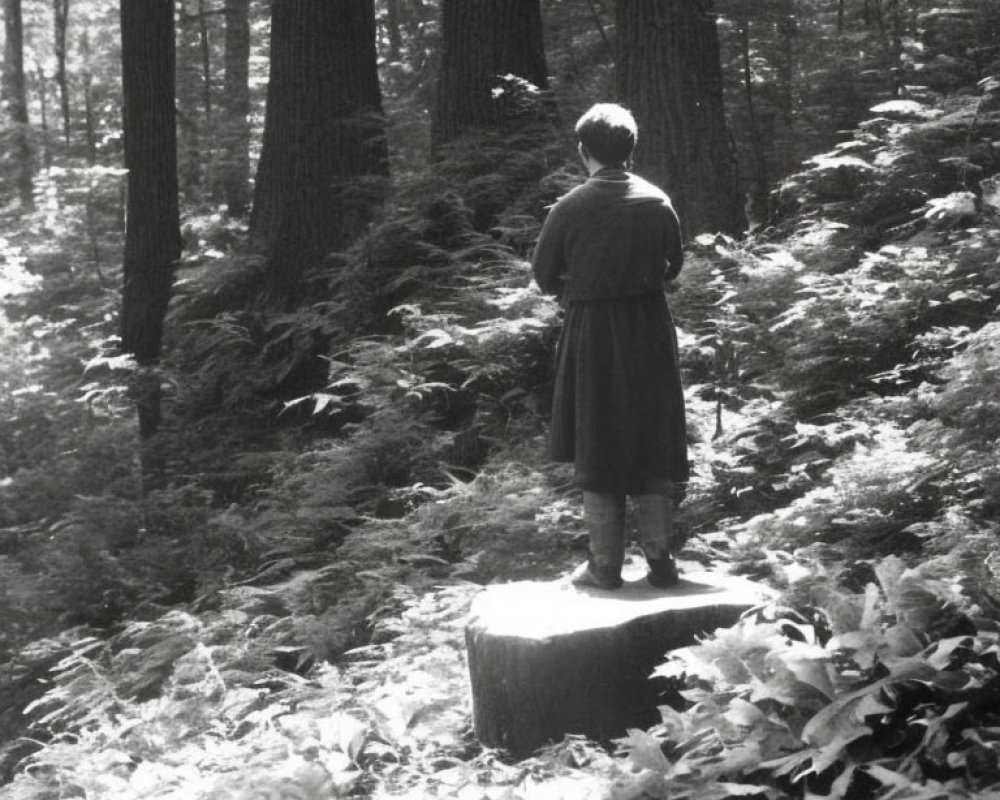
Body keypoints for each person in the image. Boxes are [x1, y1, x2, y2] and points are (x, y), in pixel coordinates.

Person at [532, 103, 688, 590]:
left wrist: (577, 294)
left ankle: (605, 566)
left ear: (583, 151)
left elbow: (542, 274)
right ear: (631, 148)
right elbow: (673, 266)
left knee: (597, 439)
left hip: (592, 332)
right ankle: (661, 562)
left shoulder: (570, 206)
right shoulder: (657, 201)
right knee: (652, 437)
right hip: (648, 329)